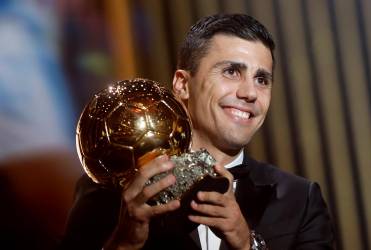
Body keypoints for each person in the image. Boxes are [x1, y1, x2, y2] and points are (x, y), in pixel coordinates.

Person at [61, 13, 334, 249]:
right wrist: (125, 243)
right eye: (231, 71)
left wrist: (247, 244)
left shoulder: (300, 200)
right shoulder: (110, 189)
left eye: (261, 79)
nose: (250, 93)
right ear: (182, 85)